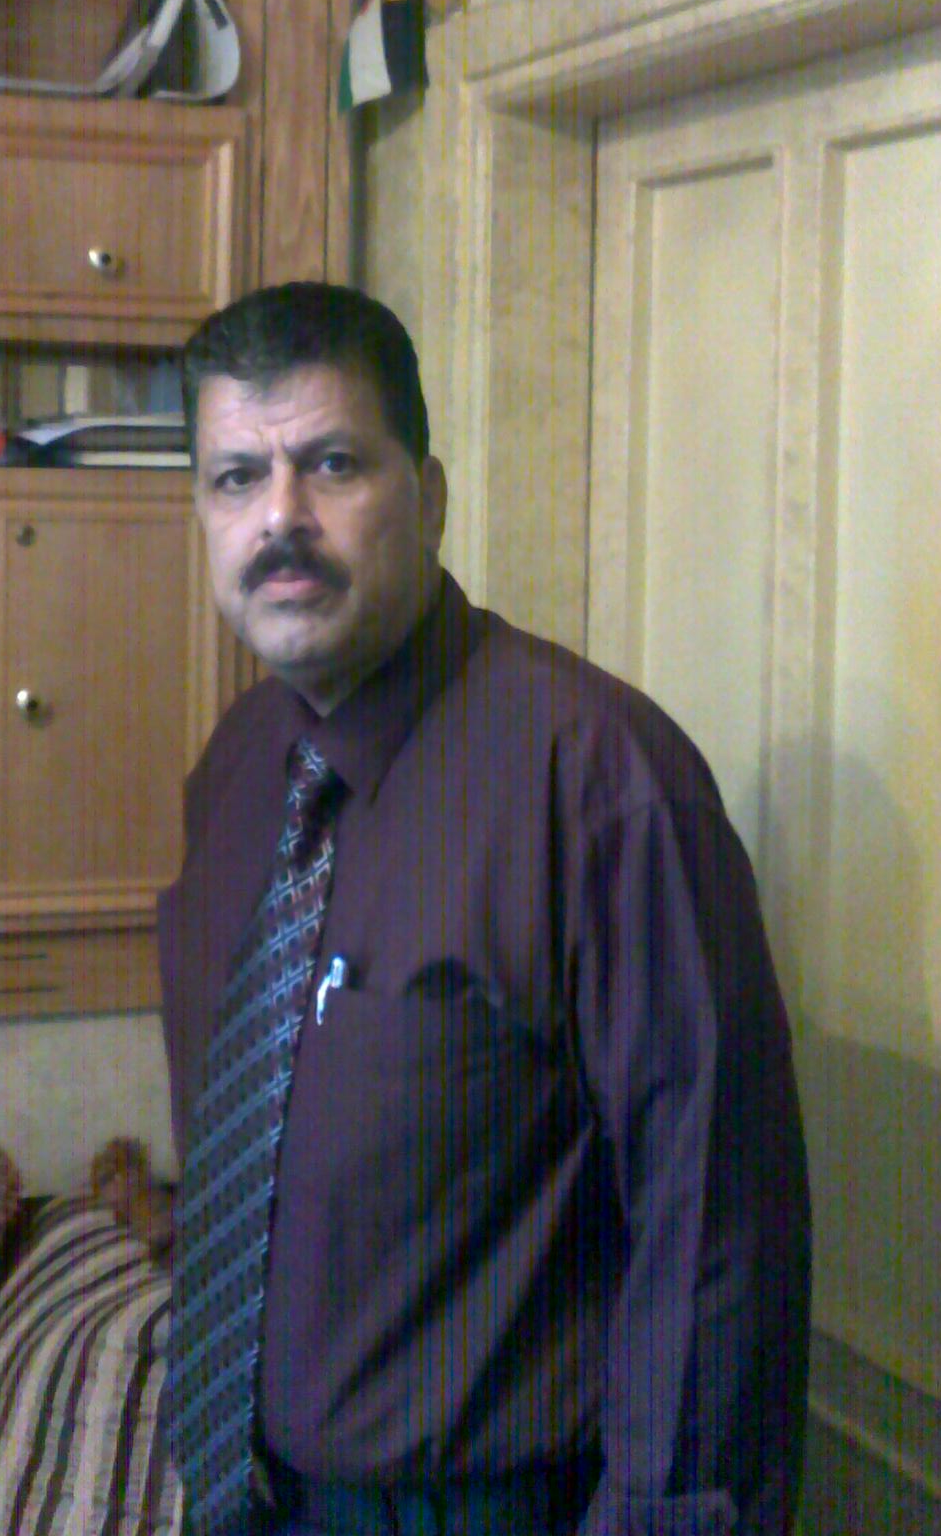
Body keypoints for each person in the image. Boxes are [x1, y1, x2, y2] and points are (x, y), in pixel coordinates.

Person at [158, 281, 811, 1536]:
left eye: (332, 463)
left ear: (431, 495)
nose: (279, 517)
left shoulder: (604, 781)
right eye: (236, 477)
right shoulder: (235, 772)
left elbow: (716, 1226)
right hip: (246, 1488)